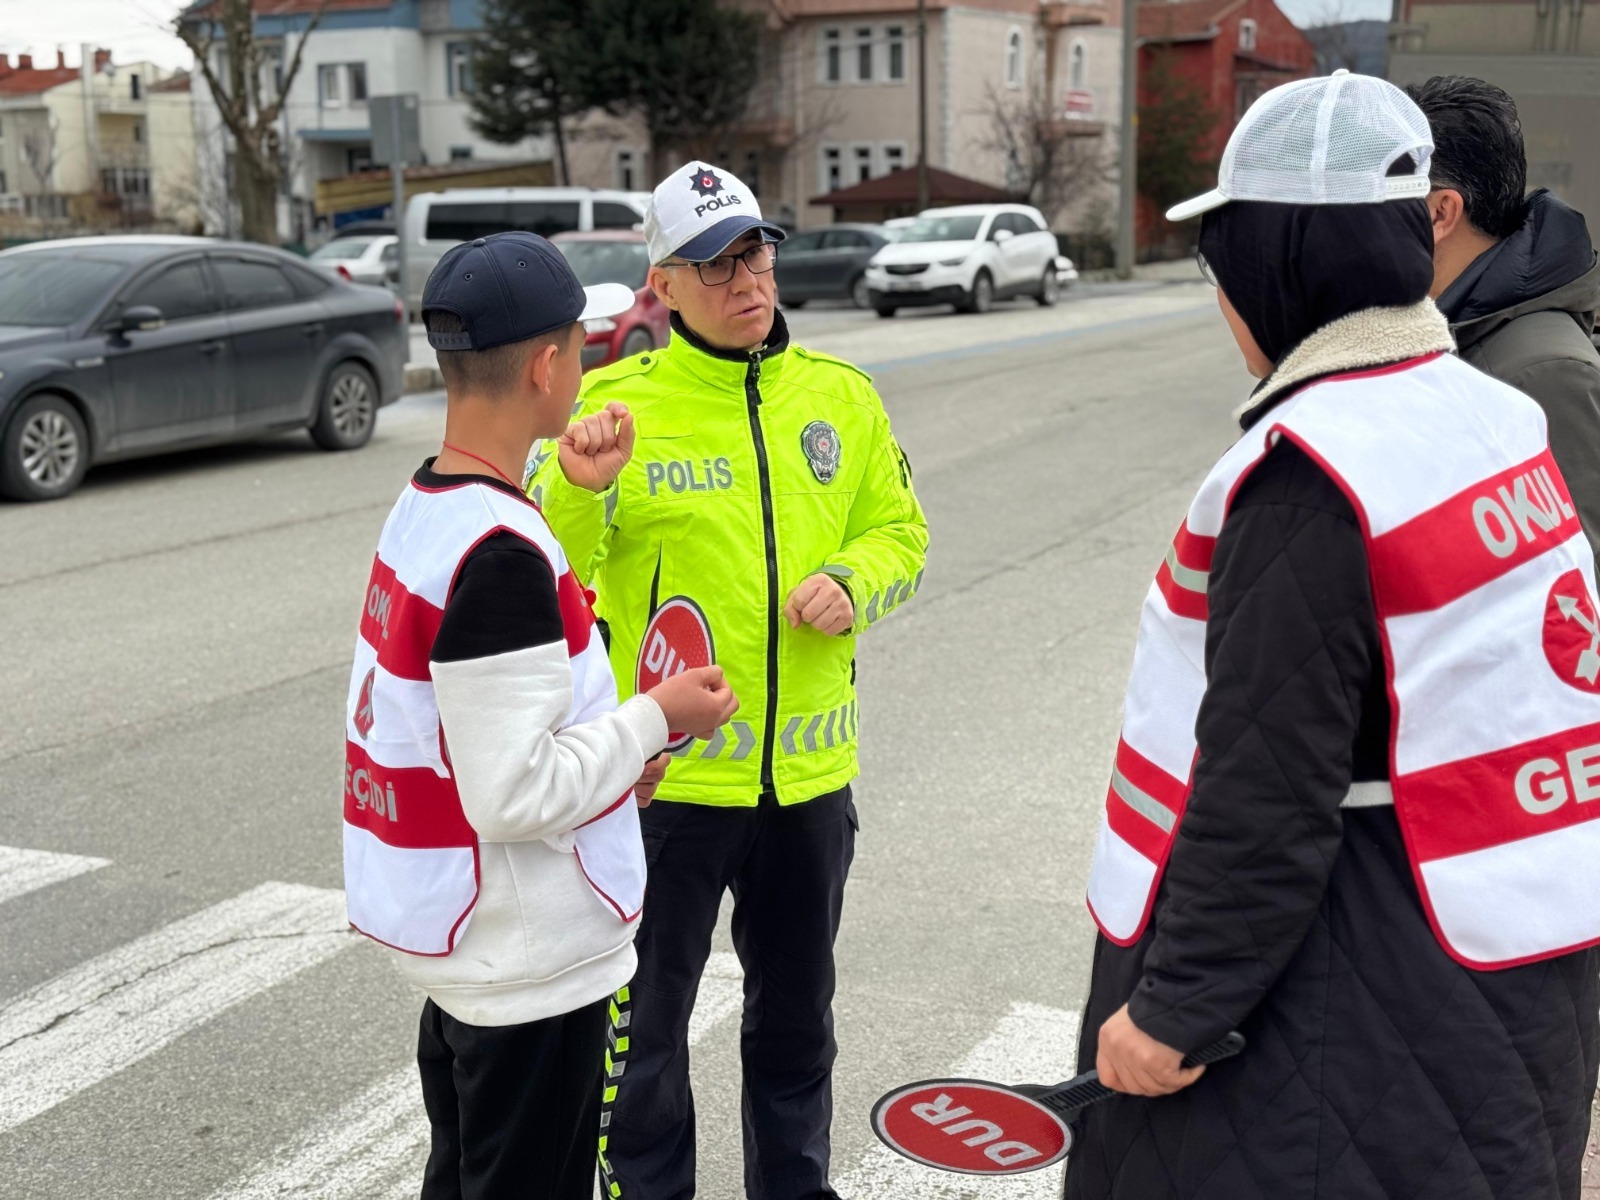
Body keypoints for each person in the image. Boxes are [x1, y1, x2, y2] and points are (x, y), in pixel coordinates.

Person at [1069, 72, 1600, 1198]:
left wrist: (1171, 1010)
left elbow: (1266, 786)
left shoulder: (1314, 475)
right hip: (1503, 981)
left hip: (1351, 1010)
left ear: (1272, 265)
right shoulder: (1488, 415)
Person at [529, 162, 928, 1200]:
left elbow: (901, 533)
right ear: (662, 284)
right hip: (667, 789)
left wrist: (852, 580)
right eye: (714, 265)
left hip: (807, 783)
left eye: (754, 253)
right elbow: (552, 568)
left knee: (797, 1024)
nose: (746, 279)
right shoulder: (614, 407)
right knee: (646, 1037)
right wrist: (577, 484)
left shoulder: (840, 398)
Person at [340, 231, 739, 1200]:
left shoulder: (430, 505)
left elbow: (475, 733)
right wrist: (655, 718)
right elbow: (513, 791)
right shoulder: (500, 554)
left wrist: (614, 762)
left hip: (473, 953)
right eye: (582, 344)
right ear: (548, 364)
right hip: (526, 971)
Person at [1405, 75, 1600, 555]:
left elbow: (1575, 589)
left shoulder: (1545, 374)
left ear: (1439, 213)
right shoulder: (1455, 325)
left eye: (1378, 199)